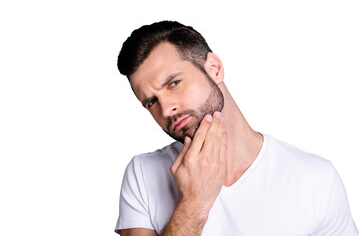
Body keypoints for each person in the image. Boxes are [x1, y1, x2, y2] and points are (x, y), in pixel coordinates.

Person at [114, 21, 358, 236]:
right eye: (151, 101)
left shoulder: (315, 179)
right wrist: (194, 204)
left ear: (215, 69)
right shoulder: (143, 175)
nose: (166, 109)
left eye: (174, 83)